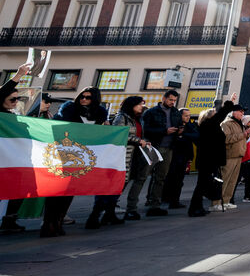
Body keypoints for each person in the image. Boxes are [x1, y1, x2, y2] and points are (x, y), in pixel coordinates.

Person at [47, 87, 108, 237]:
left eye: (88, 98)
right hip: (61, 153)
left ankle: (59, 221)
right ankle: (49, 224)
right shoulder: (69, 108)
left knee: (69, 190)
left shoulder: (100, 113)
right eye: (82, 96)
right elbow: (59, 126)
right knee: (56, 191)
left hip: (81, 156)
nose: (84, 100)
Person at [86, 96, 148, 229]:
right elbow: (118, 134)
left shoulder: (137, 119)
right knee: (108, 188)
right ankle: (94, 217)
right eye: (139, 104)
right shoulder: (122, 117)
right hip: (119, 158)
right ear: (131, 105)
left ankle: (109, 214)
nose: (141, 107)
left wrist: (142, 141)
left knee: (118, 188)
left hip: (130, 158)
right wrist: (138, 141)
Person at [0, 62, 32, 233]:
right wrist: (18, 76)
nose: (15, 102)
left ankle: (9, 220)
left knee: (15, 191)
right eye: (12, 99)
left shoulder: (15, 116)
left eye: (17, 99)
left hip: (14, 159)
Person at [140, 89, 183, 216]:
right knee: (142, 176)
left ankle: (155, 204)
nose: (172, 102)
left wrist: (179, 131)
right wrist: (165, 131)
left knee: (160, 178)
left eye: (174, 100)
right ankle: (132, 206)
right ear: (163, 98)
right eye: (170, 100)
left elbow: (179, 125)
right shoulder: (151, 112)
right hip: (154, 147)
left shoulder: (175, 112)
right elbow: (146, 130)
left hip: (169, 148)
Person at [189, 100, 236, 216]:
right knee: (201, 184)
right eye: (214, 115)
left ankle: (198, 207)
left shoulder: (212, 126)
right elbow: (220, 115)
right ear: (209, 117)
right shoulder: (207, 125)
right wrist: (228, 104)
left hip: (211, 159)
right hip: (207, 159)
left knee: (203, 184)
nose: (217, 117)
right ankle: (194, 208)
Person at [162, 108, 198, 209]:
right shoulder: (174, 124)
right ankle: (165, 198)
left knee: (179, 180)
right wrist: (178, 134)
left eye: (189, 115)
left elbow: (196, 136)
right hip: (173, 155)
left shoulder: (190, 125)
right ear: (180, 115)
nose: (188, 117)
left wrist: (184, 134)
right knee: (169, 178)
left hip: (184, 156)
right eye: (186, 115)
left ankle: (175, 200)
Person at [220, 104, 247, 209]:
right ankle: (218, 202)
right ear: (233, 112)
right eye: (240, 111)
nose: (242, 113)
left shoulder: (239, 124)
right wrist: (242, 135)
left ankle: (226, 200)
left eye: (243, 112)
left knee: (232, 181)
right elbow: (225, 139)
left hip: (238, 155)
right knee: (225, 179)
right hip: (229, 155)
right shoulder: (226, 123)